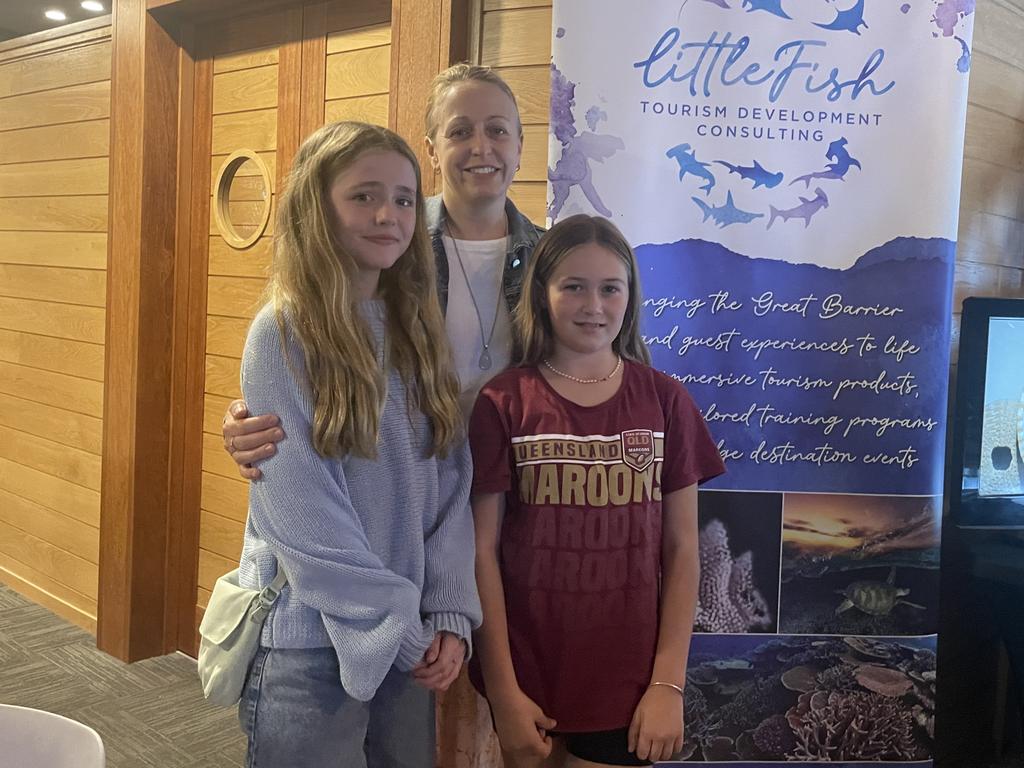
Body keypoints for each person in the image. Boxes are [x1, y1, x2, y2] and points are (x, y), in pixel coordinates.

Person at [234, 120, 481, 767]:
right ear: (317, 208)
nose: (388, 214)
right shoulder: (284, 333)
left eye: (403, 198)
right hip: (311, 645)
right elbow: (303, 516)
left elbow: (451, 485)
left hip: (409, 646)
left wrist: (450, 611)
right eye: (363, 195)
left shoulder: (418, 332)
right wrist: (402, 626)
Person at [468, 215, 726, 768]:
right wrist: (504, 690)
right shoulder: (502, 402)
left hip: (629, 683)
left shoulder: (664, 400)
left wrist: (668, 685)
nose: (594, 305)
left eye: (610, 287)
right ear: (543, 293)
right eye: (574, 287)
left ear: (630, 297)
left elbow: (683, 551)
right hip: (526, 674)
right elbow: (480, 552)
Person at [221, 62, 543, 468]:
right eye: (460, 132)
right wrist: (256, 418)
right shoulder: (389, 247)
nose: (481, 147)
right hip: (404, 476)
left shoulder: (551, 260)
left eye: (497, 130)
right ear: (431, 151)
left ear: (519, 146)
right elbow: (318, 350)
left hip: (518, 481)